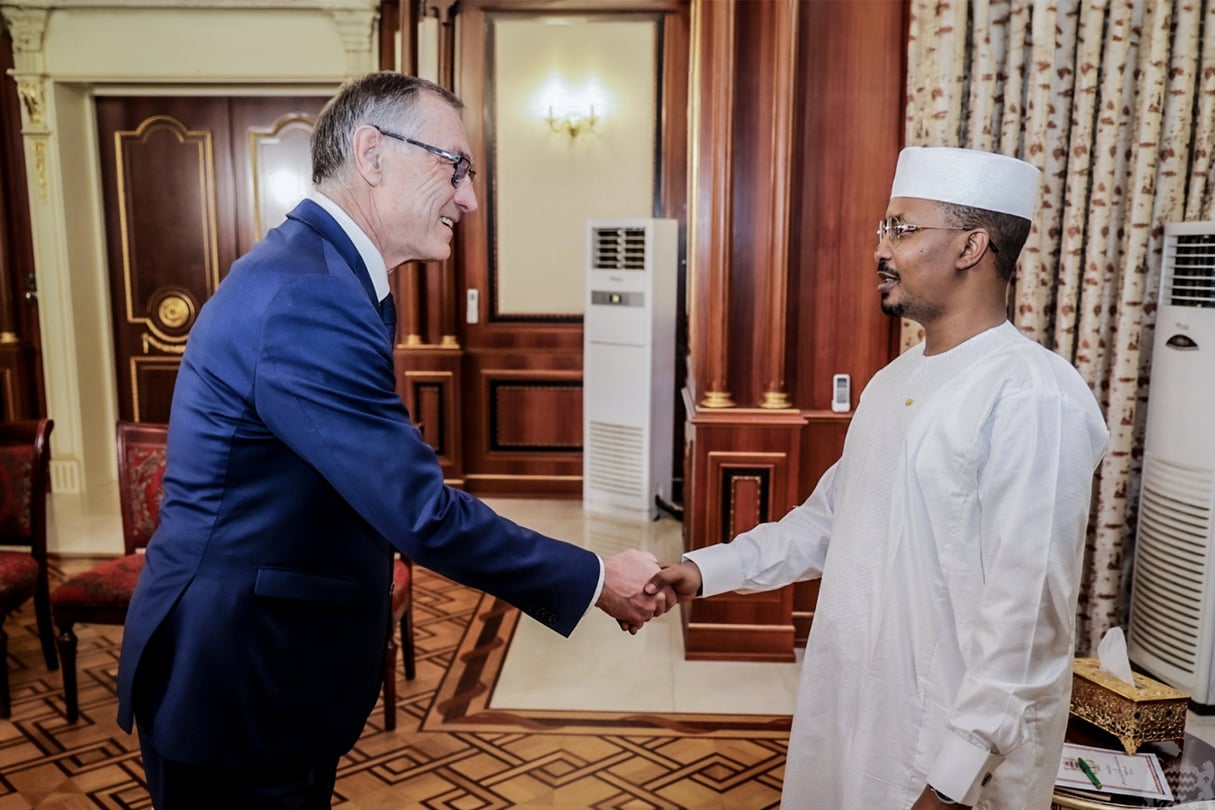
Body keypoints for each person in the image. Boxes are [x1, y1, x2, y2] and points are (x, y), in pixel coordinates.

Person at [116, 72, 669, 808]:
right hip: (238, 680)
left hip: (267, 672)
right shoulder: (306, 295)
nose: (468, 198)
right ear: (372, 154)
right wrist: (596, 578)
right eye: (456, 167)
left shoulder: (320, 274)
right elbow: (420, 513)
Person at [648, 147, 1109, 809]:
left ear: (971, 246)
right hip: (855, 710)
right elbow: (830, 523)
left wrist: (949, 780)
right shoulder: (893, 382)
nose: (880, 248)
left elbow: (1025, 616)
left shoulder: (1033, 396)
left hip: (946, 755)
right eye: (881, 229)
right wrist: (701, 571)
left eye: (902, 228)